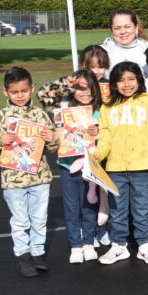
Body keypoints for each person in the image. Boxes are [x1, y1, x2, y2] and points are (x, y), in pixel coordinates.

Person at [94, 61, 148, 265]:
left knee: (141, 208)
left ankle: (144, 244)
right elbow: (105, 136)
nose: (126, 84)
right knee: (117, 209)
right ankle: (118, 245)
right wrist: (97, 155)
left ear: (139, 80)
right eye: (121, 80)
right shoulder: (108, 106)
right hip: (115, 168)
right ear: (114, 84)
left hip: (143, 167)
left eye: (131, 79)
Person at [0, 67, 59, 277]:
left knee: (39, 218)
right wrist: (1, 141)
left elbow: (53, 146)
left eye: (24, 91)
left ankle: (37, 253)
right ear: (5, 92)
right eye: (14, 92)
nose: (20, 96)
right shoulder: (2, 116)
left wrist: (51, 138)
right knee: (20, 220)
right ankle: (22, 255)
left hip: (40, 176)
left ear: (32, 89)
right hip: (13, 179)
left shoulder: (39, 114)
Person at [52, 69, 102, 263]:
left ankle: (89, 242)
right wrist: (65, 81)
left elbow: (107, 137)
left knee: (89, 205)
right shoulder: (64, 109)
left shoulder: (99, 111)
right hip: (67, 165)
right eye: (79, 88)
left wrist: (96, 132)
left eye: (88, 88)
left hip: (91, 167)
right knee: (71, 207)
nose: (84, 92)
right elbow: (43, 94)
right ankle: (75, 245)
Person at [37, 45, 111, 112]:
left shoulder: (110, 86)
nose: (96, 71)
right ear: (81, 65)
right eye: (91, 67)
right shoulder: (69, 85)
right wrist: (63, 87)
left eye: (101, 67)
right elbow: (42, 95)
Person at [101, 9, 148, 78]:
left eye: (127, 27)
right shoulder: (101, 51)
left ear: (136, 27)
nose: (123, 32)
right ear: (111, 30)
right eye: (117, 28)